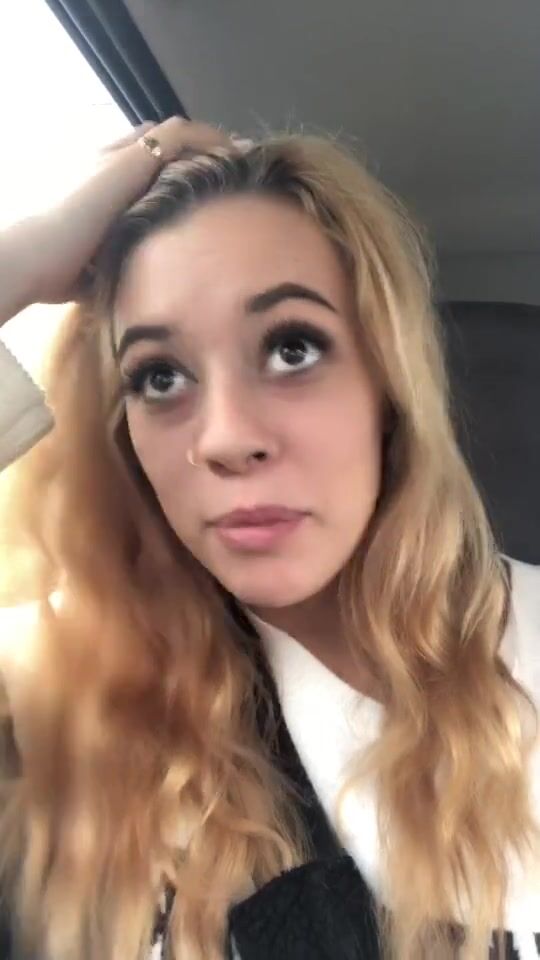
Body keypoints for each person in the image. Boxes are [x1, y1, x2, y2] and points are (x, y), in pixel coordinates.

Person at [0, 116, 538, 960]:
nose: (224, 438)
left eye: (292, 348)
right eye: (160, 376)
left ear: (388, 383)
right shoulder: (56, 688)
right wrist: (27, 256)